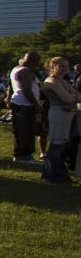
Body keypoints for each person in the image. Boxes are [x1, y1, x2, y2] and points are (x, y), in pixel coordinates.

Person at [40, 56, 77, 185]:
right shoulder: (51, 81)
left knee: (62, 147)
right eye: (61, 66)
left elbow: (76, 96)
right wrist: (72, 97)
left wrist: (72, 97)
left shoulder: (62, 81)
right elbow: (68, 98)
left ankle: (55, 176)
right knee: (57, 147)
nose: (65, 69)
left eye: (67, 66)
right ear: (52, 67)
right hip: (59, 116)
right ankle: (52, 177)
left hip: (67, 116)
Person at [9, 52, 44, 166]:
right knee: (26, 131)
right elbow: (26, 90)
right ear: (34, 61)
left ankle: (20, 155)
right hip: (25, 105)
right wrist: (36, 104)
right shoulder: (25, 71)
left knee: (21, 131)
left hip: (19, 103)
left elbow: (11, 86)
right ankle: (24, 156)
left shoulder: (16, 69)